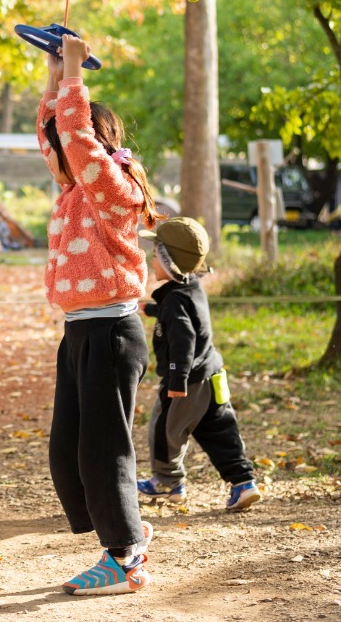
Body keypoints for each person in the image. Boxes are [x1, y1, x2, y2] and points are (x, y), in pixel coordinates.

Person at [36, 33, 161, 596]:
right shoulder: (70, 190)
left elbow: (73, 137)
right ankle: (126, 531)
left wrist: (74, 75)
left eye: (67, 142)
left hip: (113, 331)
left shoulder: (114, 189)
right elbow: (55, 132)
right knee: (66, 450)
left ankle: (124, 556)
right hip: (79, 334)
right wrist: (53, 71)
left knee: (101, 449)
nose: (58, 155)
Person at [137, 217, 261, 512]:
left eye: (155, 255)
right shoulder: (190, 288)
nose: (151, 260)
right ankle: (243, 483)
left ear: (169, 263)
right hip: (211, 373)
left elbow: (184, 339)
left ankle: (168, 483)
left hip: (187, 380)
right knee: (219, 430)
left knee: (164, 428)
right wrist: (155, 309)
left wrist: (176, 380)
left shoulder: (175, 299)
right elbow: (190, 319)